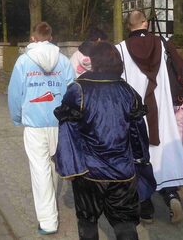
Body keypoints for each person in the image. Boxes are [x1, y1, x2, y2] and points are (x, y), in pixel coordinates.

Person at [55, 41, 153, 240]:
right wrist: (141, 160)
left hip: (88, 173)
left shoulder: (78, 89)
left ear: (93, 61)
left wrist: (70, 168)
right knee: (125, 223)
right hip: (122, 172)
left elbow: (68, 131)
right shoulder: (127, 91)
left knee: (88, 221)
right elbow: (137, 132)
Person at [116, 10, 183, 224]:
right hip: (163, 110)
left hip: (136, 114)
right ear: (146, 24)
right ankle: (170, 195)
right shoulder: (163, 43)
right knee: (164, 152)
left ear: (128, 26)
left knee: (140, 156)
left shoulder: (120, 49)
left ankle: (146, 208)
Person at [8, 22, 75, 235]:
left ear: (33, 37)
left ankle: (48, 221)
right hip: (60, 123)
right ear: (51, 36)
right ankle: (53, 208)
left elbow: (15, 94)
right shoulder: (63, 61)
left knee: (40, 170)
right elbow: (73, 92)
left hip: (35, 124)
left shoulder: (23, 62)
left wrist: (18, 118)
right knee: (55, 167)